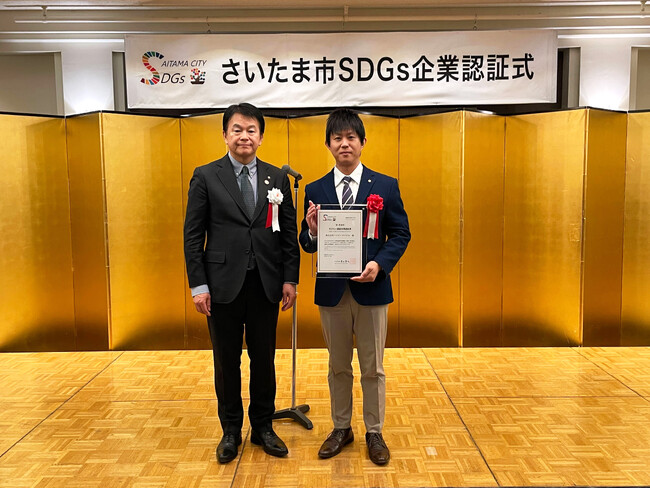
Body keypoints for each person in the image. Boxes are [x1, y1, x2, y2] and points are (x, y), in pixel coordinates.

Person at [184, 103, 300, 463]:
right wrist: (198, 286)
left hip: (266, 284)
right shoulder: (206, 176)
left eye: (251, 130)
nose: (244, 136)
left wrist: (290, 279)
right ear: (225, 134)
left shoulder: (276, 178)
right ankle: (231, 430)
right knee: (226, 361)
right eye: (237, 129)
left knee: (264, 359)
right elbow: (193, 235)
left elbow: (288, 234)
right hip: (221, 286)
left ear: (261, 137)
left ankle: (263, 426)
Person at [299, 108, 410, 465]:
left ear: (362, 142)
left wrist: (380, 264)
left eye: (351, 137)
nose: (344, 143)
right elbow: (306, 243)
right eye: (337, 138)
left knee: (373, 367)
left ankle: (374, 431)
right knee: (338, 365)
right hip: (332, 292)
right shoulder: (315, 189)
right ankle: (341, 427)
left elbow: (401, 233)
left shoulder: (385, 185)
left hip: (372, 289)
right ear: (328, 145)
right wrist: (312, 231)